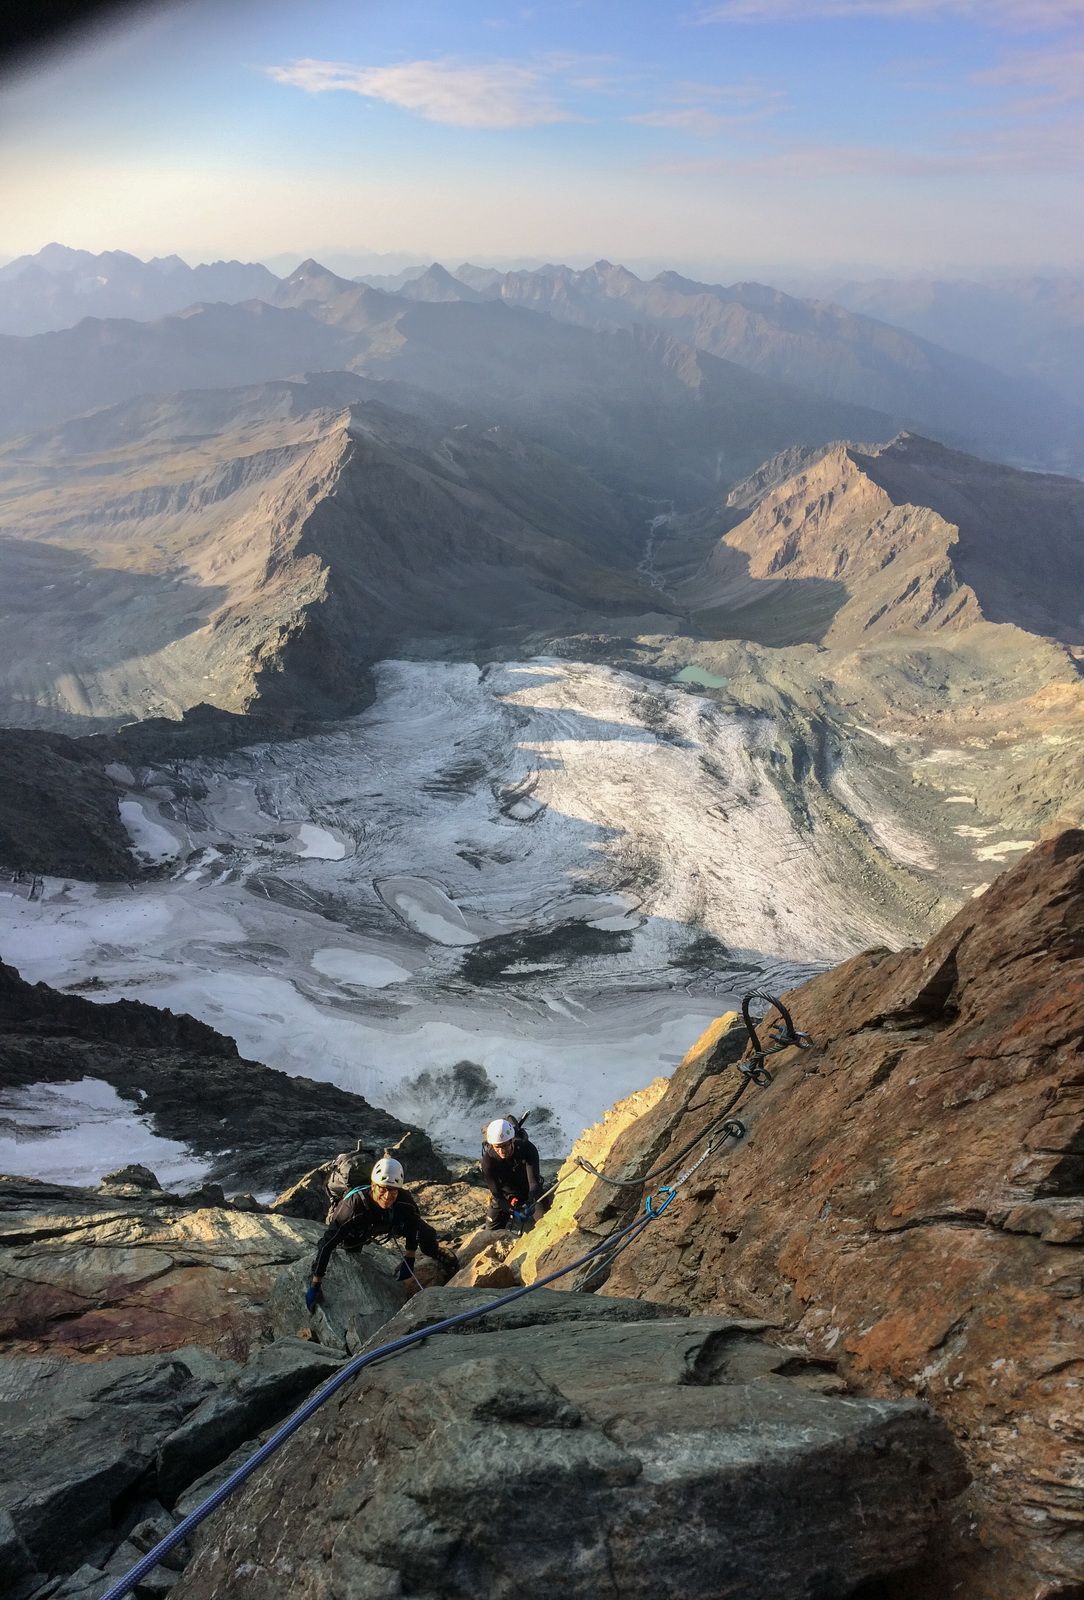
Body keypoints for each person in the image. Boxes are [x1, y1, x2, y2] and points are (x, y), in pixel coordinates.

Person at [305, 1155, 457, 1311]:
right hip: (360, 1224)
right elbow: (326, 1244)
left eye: (393, 1191)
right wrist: (315, 1284)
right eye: (382, 1189)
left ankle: (433, 1252)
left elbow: (413, 1226)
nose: (387, 1196)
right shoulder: (352, 1208)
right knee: (351, 1249)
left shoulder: (404, 1201)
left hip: (386, 1222)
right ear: (373, 1186)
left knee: (426, 1232)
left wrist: (410, 1258)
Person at [480, 1116, 548, 1231]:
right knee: (489, 1232)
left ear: (512, 1140)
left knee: (543, 1225)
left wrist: (530, 1201)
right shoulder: (488, 1162)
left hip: (529, 1191)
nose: (502, 1151)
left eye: (505, 1145)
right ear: (491, 1145)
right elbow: (497, 1194)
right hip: (505, 1196)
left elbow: (534, 1182)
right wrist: (512, 1211)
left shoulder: (526, 1148)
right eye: (497, 1147)